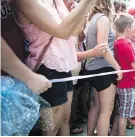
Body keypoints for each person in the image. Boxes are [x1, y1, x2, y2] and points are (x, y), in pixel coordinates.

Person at [14, 0, 105, 136]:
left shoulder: (57, 1)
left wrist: (81, 10)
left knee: (65, 119)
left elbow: (74, 31)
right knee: (51, 128)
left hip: (64, 65)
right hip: (47, 67)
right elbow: (63, 31)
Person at [85, 0, 123, 136]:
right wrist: (117, 67)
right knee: (106, 111)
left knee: (97, 106)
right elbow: (103, 48)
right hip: (104, 69)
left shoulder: (92, 19)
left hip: (92, 68)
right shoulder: (103, 19)